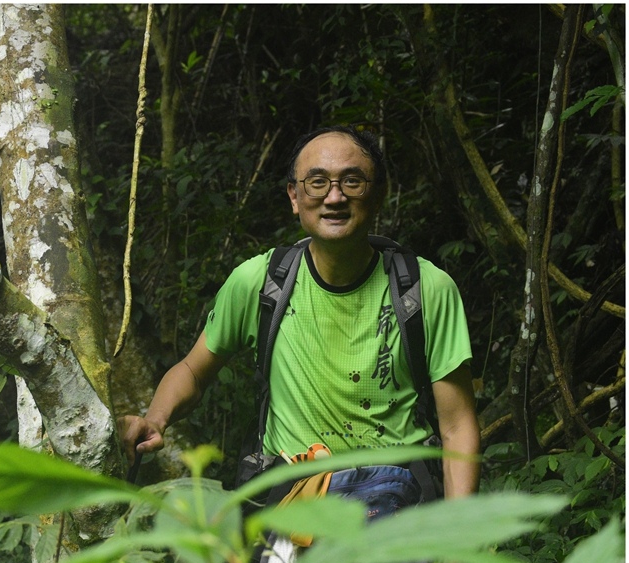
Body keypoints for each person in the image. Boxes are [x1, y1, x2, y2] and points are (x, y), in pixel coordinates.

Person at [120, 126, 480, 515]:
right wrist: (156, 419)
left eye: (353, 181)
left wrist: (456, 545)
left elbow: (458, 428)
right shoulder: (261, 283)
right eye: (317, 182)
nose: (335, 197)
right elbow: (193, 369)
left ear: (378, 194)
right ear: (294, 196)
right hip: (291, 506)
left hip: (398, 504)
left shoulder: (426, 289)